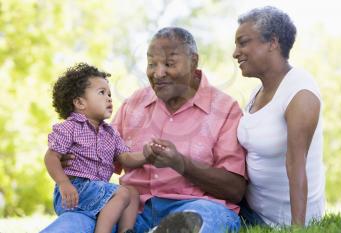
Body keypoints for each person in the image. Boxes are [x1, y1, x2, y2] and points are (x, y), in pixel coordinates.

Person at [41, 27, 247, 233]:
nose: (158, 73)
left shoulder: (224, 109)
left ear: (193, 61)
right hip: (130, 215)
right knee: (72, 225)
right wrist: (72, 157)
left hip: (193, 205)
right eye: (151, 64)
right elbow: (107, 153)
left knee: (201, 218)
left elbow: (235, 190)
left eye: (169, 64)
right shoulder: (133, 104)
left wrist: (180, 163)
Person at [233, 6, 325, 227]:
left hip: (278, 221)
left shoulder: (299, 92)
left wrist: (297, 229)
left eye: (243, 42)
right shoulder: (258, 92)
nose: (235, 53)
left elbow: (296, 163)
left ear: (273, 42)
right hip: (250, 209)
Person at [43, 63, 148, 233]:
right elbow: (51, 157)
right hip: (75, 190)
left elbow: (126, 158)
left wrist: (147, 155)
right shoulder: (70, 127)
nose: (109, 98)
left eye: (109, 94)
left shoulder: (111, 133)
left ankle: (126, 231)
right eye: (102, 93)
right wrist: (64, 183)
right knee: (121, 193)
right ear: (80, 102)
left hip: (98, 190)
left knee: (132, 192)